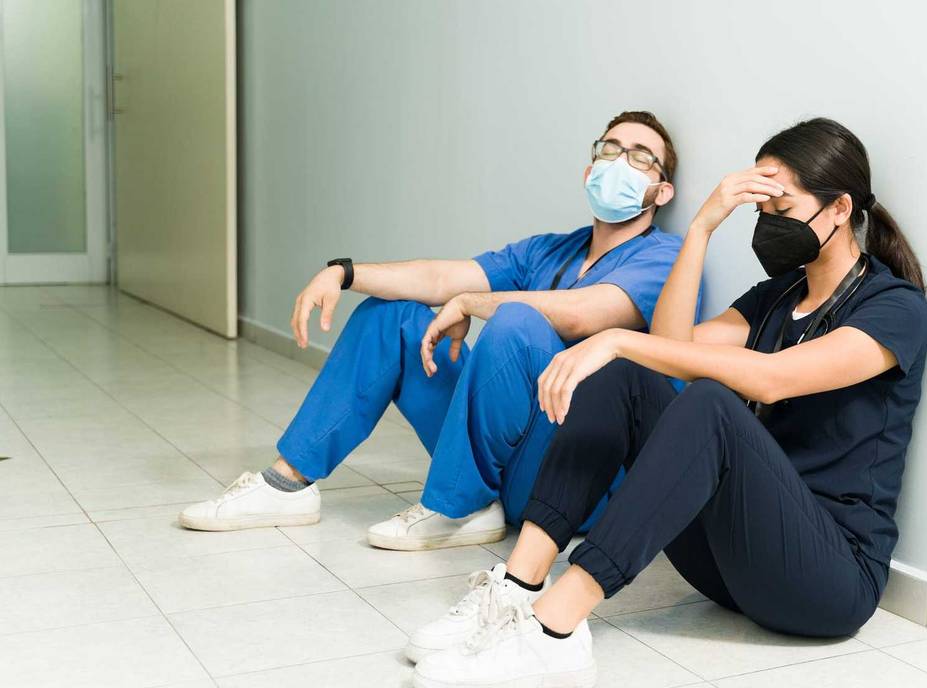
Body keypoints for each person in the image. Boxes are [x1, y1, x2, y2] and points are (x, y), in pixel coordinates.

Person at [408, 117, 927, 688]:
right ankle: (515, 589)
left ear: (838, 209)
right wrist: (703, 227)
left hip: (828, 580)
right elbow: (669, 343)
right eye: (759, 212)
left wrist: (614, 337)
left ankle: (554, 633)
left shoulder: (894, 307)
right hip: (734, 566)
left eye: (780, 208)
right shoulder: (778, 296)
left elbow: (775, 380)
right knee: (630, 374)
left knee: (705, 399)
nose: (768, 225)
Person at [178, 110, 689, 556]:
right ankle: (287, 483)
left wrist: (472, 304)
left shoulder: (664, 257)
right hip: (509, 457)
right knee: (393, 317)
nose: (620, 161)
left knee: (517, 320)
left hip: (575, 477)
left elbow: (582, 314)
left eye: (641, 156)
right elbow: (440, 278)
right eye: (610, 149)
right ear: (590, 168)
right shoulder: (551, 250)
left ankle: (458, 506)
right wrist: (342, 272)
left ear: (662, 190)